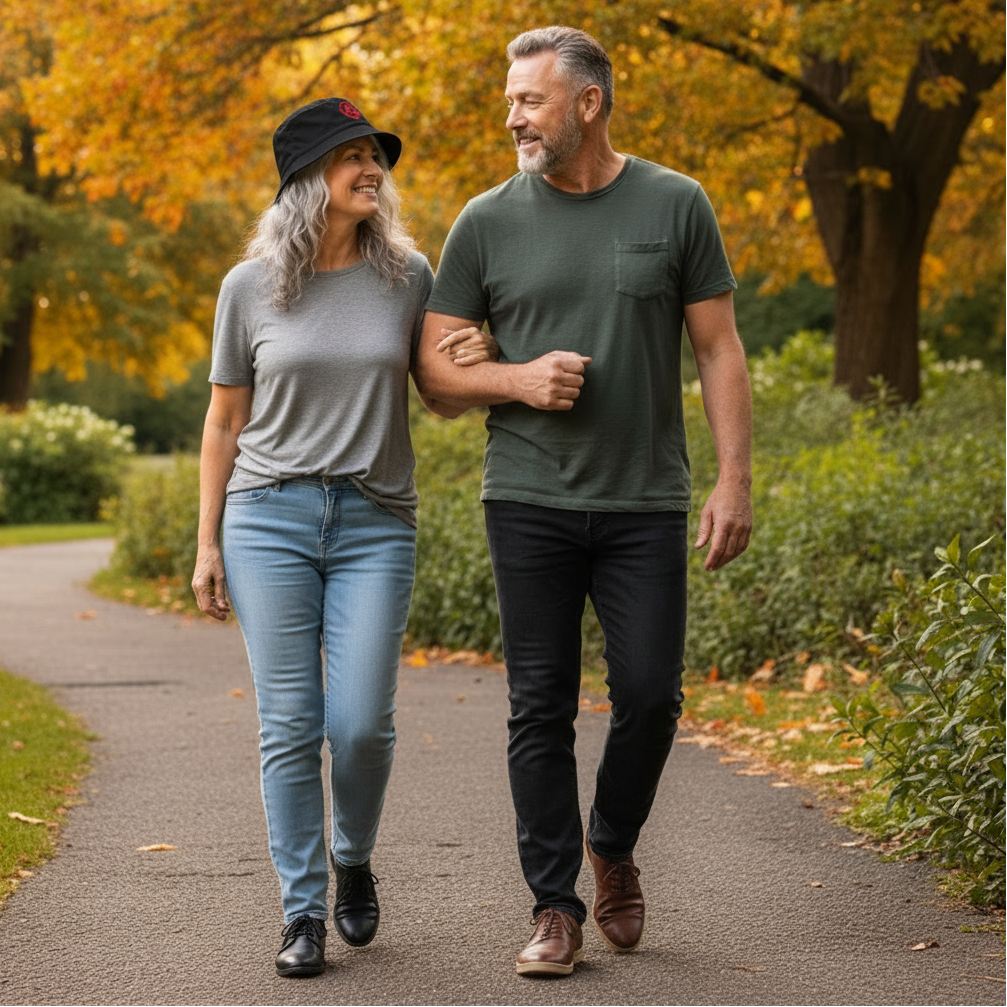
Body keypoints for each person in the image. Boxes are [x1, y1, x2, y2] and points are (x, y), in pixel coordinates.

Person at [415, 27, 753, 976]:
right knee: (540, 706)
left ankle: (611, 841)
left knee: (649, 696)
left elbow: (718, 348)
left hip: (646, 495)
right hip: (526, 495)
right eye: (511, 99)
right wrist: (516, 381)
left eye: (529, 99)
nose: (512, 115)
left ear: (589, 103)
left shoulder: (676, 202)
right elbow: (434, 372)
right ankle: (554, 905)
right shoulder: (484, 220)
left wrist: (733, 480)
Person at [191, 98, 495, 978]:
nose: (371, 170)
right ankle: (301, 912)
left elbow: (436, 389)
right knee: (291, 724)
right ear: (303, 180)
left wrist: (472, 359)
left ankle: (351, 854)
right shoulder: (247, 287)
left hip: (373, 520)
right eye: (349, 156)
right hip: (266, 517)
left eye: (374, 156)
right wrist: (207, 542)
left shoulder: (408, 275)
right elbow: (223, 422)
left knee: (360, 725)